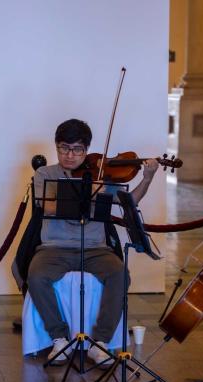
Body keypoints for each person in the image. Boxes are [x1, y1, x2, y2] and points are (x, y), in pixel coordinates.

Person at [27, 118, 158, 366]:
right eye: (64, 147)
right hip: (55, 248)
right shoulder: (45, 173)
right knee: (36, 276)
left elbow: (129, 201)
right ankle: (59, 338)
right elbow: (48, 206)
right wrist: (90, 192)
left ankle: (100, 342)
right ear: (56, 147)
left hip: (95, 248)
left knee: (120, 273)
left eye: (77, 149)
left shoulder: (100, 176)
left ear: (87, 150)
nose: (70, 155)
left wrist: (148, 178)